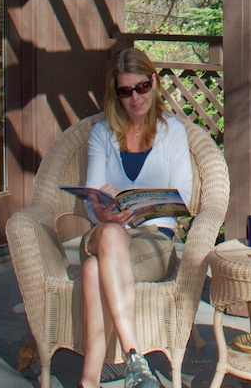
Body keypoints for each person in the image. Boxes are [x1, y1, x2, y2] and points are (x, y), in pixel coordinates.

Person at [78, 47, 194, 388]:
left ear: (154, 83)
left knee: (92, 270)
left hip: (155, 242)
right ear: (116, 95)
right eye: (125, 92)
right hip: (106, 233)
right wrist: (102, 210)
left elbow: (182, 196)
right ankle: (135, 358)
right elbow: (91, 197)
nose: (135, 98)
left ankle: (88, 382)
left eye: (141, 87)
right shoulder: (102, 134)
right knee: (111, 232)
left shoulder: (173, 132)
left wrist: (144, 208)